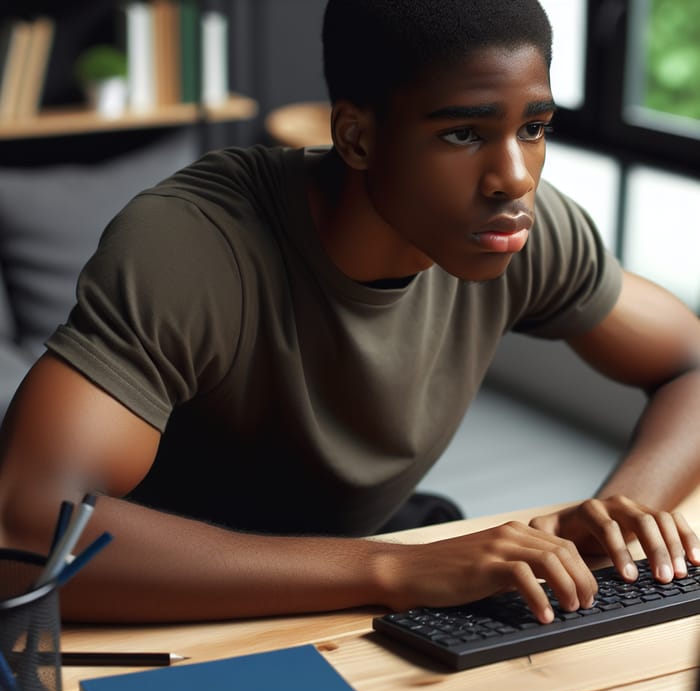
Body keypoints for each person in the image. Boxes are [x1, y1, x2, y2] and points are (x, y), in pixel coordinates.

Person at [2, 0, 700, 626]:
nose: (515, 177)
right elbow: (24, 534)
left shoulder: (524, 228)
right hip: (165, 586)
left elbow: (690, 365)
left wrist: (622, 515)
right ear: (358, 137)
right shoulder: (195, 244)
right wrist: (389, 570)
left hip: (370, 547)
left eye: (535, 127)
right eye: (463, 134)